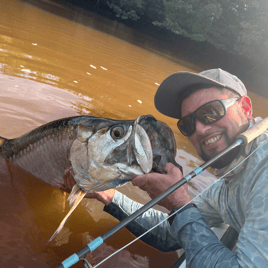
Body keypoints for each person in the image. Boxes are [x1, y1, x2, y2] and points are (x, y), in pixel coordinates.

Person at [58, 69, 268, 267]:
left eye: (211, 112)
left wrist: (181, 205)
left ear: (246, 109)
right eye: (188, 124)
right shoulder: (228, 183)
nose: (201, 129)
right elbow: (169, 233)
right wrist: (109, 196)